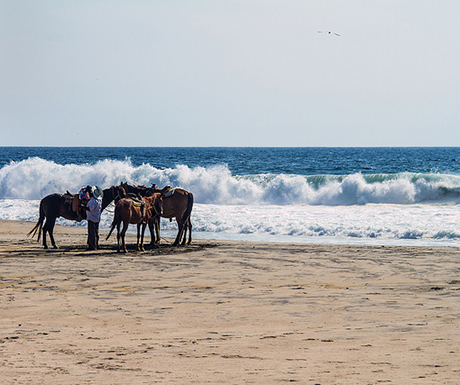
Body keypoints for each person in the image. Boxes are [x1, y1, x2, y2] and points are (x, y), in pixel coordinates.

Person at [85, 186, 103, 250]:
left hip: (91, 218)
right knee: (96, 232)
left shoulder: (92, 201)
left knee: (91, 232)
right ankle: (96, 244)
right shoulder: (99, 200)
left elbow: (90, 209)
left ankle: (92, 246)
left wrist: (83, 207)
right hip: (97, 218)